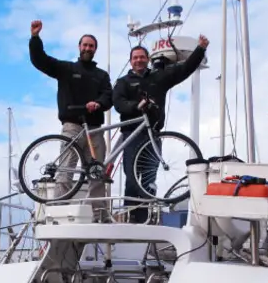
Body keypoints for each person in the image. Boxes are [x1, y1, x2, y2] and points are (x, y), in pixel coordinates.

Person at [112, 34, 209, 223]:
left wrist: (200, 49)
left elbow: (185, 69)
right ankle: (132, 219)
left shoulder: (159, 77)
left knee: (148, 178)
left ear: (147, 60)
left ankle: (145, 219)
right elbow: (118, 103)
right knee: (132, 179)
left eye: (142, 57)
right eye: (135, 58)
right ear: (131, 61)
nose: (139, 60)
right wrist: (136, 106)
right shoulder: (123, 82)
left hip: (153, 134)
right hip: (132, 133)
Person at [28, 19, 113, 222]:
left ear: (95, 50)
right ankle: (57, 212)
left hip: (94, 129)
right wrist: (35, 38)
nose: (87, 48)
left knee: (97, 174)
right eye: (84, 45)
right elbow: (41, 61)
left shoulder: (101, 75)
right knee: (65, 172)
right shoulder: (66, 69)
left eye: (91, 46)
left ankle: (99, 215)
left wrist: (98, 103)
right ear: (79, 47)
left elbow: (108, 96)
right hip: (72, 127)